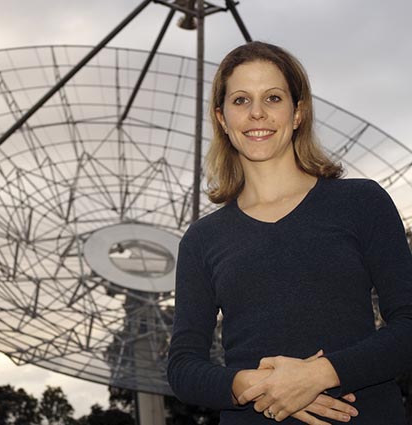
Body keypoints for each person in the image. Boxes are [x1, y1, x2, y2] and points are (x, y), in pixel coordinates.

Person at [167, 41, 412, 425]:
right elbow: (183, 367)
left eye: (273, 98)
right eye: (241, 100)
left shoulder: (361, 203)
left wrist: (318, 375)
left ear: (298, 113)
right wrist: (258, 386)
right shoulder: (203, 239)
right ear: (221, 118)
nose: (257, 113)